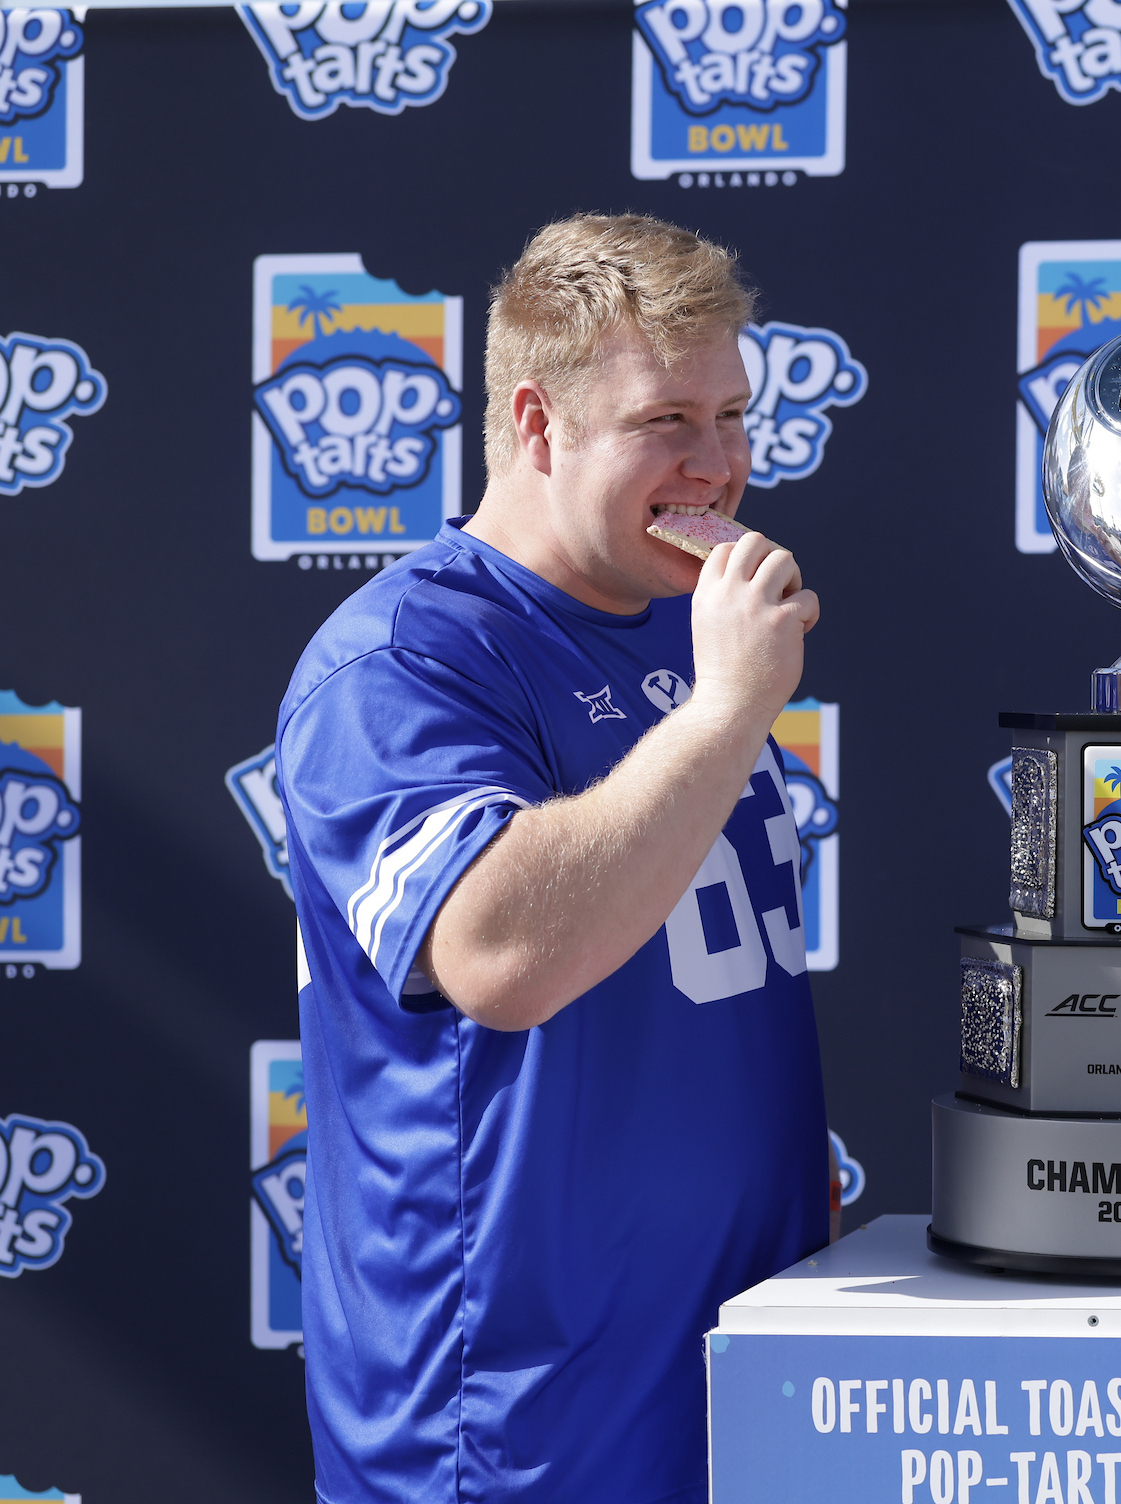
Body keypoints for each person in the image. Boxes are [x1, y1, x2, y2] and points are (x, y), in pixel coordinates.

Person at [277, 214, 830, 1503]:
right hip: (514, 1433)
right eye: (667, 423)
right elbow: (501, 955)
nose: (720, 464)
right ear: (536, 423)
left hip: (718, 1392)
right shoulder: (402, 659)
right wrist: (725, 709)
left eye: (734, 415)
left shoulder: (679, 634)